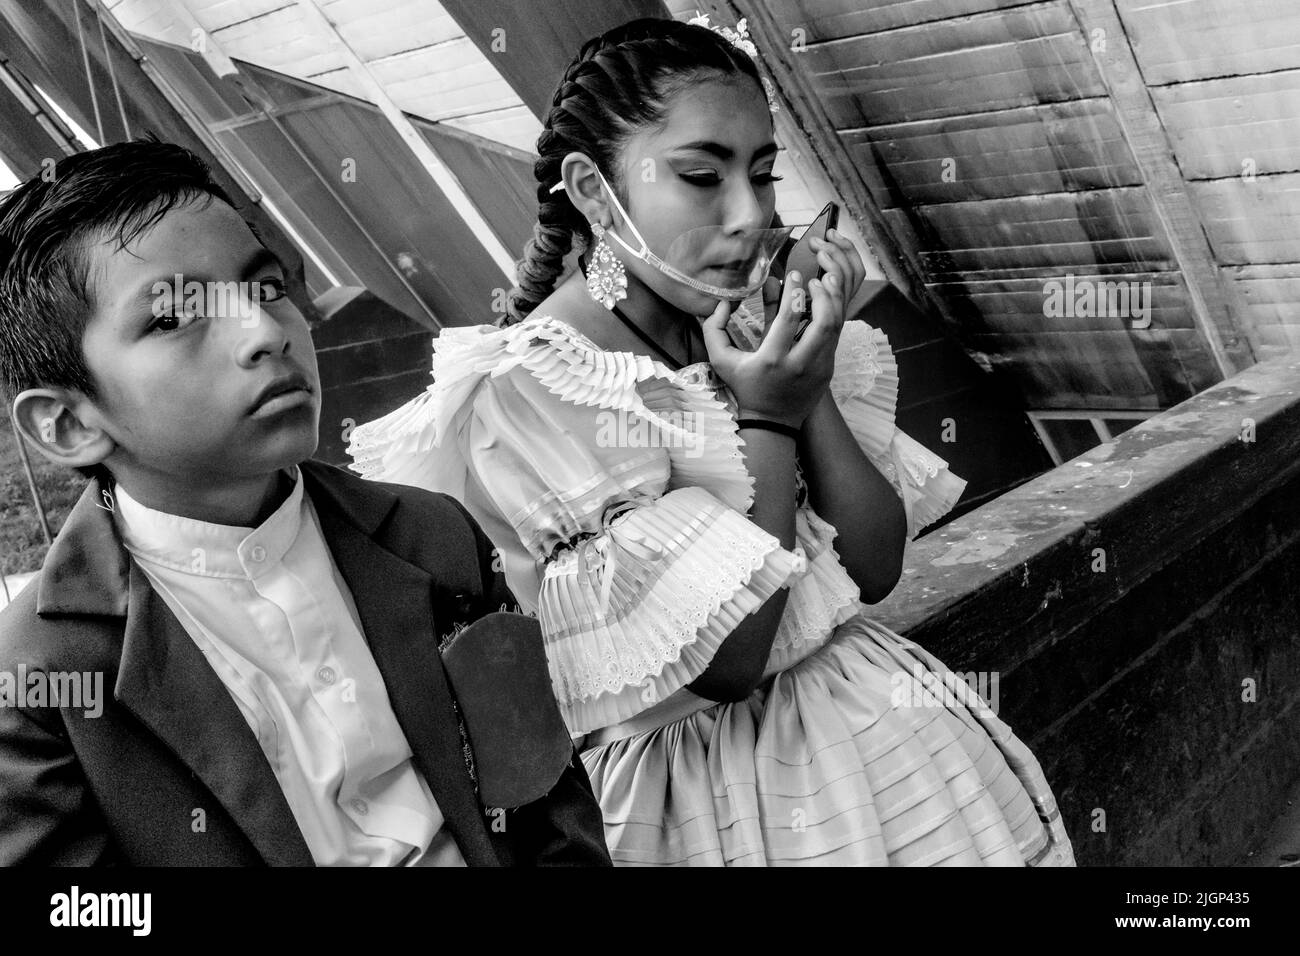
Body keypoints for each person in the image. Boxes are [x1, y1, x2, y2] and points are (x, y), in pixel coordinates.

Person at [348, 17, 1074, 866]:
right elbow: (728, 660)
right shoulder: (529, 394)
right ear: (590, 190)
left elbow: (874, 568)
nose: (751, 214)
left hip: (894, 764)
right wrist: (764, 417)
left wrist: (807, 381)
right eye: (702, 176)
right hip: (710, 804)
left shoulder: (742, 334)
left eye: (764, 174)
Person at [0, 139, 610, 866]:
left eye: (264, 288)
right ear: (68, 424)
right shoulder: (42, 679)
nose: (264, 333)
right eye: (173, 318)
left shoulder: (432, 536)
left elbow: (547, 801)